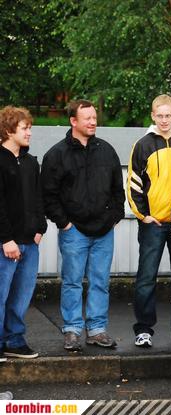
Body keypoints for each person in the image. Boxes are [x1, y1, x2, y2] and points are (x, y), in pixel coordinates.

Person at [41, 100, 125, 351]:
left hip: (104, 231)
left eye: (94, 117)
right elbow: (48, 194)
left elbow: (117, 189)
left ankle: (97, 330)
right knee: (72, 281)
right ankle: (72, 330)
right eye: (87, 118)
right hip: (74, 231)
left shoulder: (107, 150)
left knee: (101, 281)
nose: (92, 122)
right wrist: (64, 223)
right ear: (73, 121)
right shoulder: (57, 154)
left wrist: (115, 216)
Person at [127, 94, 171, 347]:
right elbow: (134, 183)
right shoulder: (143, 145)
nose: (164, 120)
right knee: (146, 277)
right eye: (160, 115)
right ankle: (144, 328)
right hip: (154, 224)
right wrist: (143, 215)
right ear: (153, 116)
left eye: (169, 115)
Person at [0, 106, 47, 360]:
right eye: (24, 128)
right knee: (1, 295)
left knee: (21, 297)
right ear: (9, 131)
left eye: (30, 128)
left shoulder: (30, 163)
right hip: (6, 244)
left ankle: (14, 341)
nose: (29, 132)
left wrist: (40, 228)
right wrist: (6, 239)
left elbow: (38, 198)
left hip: (30, 242)